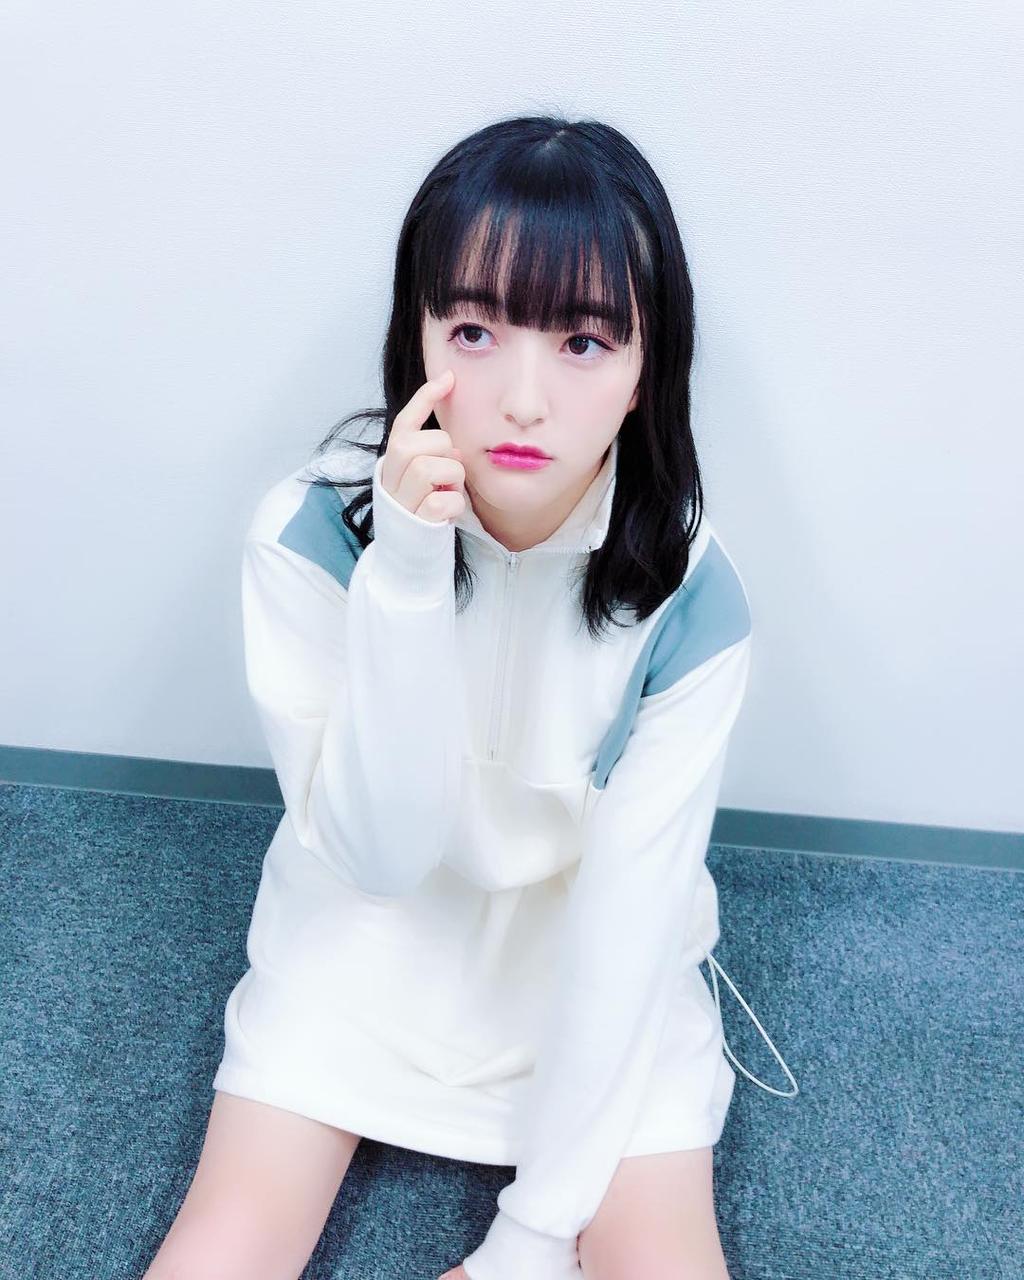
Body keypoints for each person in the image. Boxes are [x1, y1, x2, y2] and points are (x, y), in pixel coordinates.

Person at [143, 113, 798, 1280]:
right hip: (363, 937)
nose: (522, 398)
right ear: (419, 336)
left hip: (597, 962)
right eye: (476, 331)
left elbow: (629, 914)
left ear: (646, 371)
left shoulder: (693, 595)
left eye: (583, 340)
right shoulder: (309, 534)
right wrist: (403, 568)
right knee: (220, 1250)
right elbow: (380, 853)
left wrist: (531, 1235)